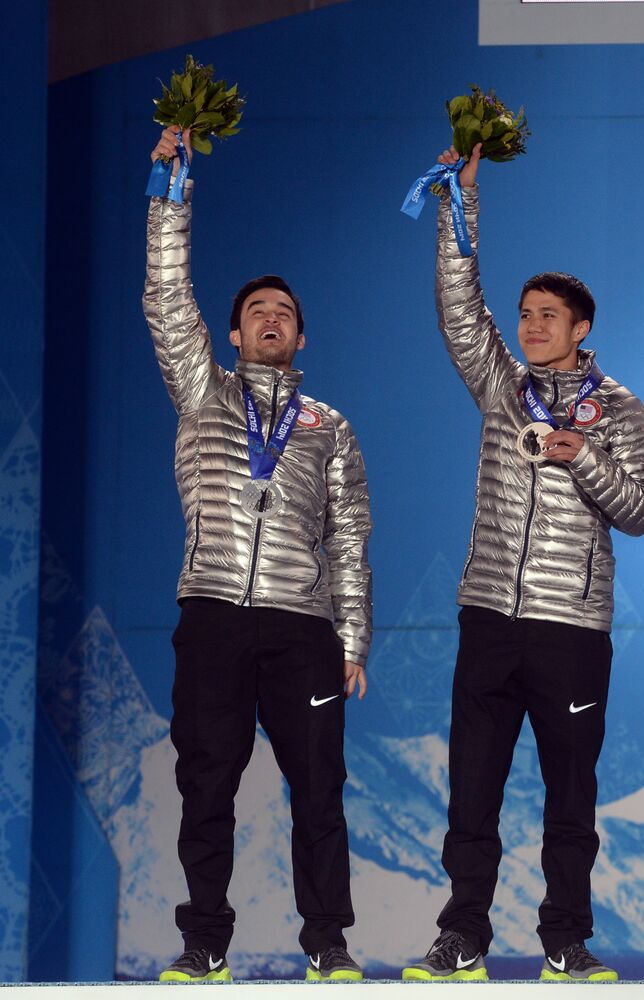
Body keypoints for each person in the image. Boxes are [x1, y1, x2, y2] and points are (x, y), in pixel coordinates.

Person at [401, 143, 644, 984]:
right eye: (525, 313)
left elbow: (642, 510)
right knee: (471, 790)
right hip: (488, 618)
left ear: (583, 328)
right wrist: (459, 206)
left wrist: (582, 456)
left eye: (549, 315)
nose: (531, 325)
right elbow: (456, 305)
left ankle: (565, 940)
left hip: (572, 629)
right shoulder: (499, 384)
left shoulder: (619, 407)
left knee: (570, 798)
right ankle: (462, 934)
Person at [143, 126, 373, 983]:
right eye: (255, 313)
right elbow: (167, 300)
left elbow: (349, 536)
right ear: (233, 336)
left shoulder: (329, 428)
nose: (270, 319)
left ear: (301, 339)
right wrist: (171, 187)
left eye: (285, 313)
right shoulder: (202, 394)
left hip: (304, 627)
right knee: (207, 786)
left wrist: (352, 637)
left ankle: (330, 944)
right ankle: (204, 943)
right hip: (210, 616)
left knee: (319, 792)